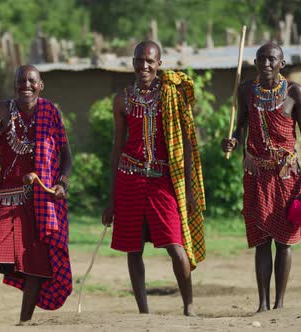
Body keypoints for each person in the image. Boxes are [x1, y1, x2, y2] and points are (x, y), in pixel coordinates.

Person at [102, 41, 206, 316]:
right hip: (129, 179)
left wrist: (190, 191)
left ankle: (189, 306)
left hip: (162, 181)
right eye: (139, 60)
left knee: (175, 244)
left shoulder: (171, 96)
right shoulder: (122, 99)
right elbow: (117, 146)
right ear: (133, 62)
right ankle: (143, 312)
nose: (144, 66)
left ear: (159, 64)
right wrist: (111, 198)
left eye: (150, 61)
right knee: (133, 248)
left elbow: (184, 145)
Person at [0, 65, 73, 324]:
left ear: (41, 85)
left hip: (41, 200)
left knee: (36, 268)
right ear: (14, 85)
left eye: (31, 81)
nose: (26, 85)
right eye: (21, 81)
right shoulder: (2, 109)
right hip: (8, 197)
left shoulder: (50, 112)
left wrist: (63, 182)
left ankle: (23, 324)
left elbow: (66, 156)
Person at [222, 43, 301, 312]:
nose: (266, 64)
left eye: (272, 59)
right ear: (254, 62)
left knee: (284, 242)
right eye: (261, 59)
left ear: (281, 64)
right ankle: (262, 304)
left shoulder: (296, 93)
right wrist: (232, 141)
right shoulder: (247, 91)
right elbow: (240, 125)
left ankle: (279, 304)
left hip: (286, 177)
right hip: (256, 175)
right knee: (261, 241)